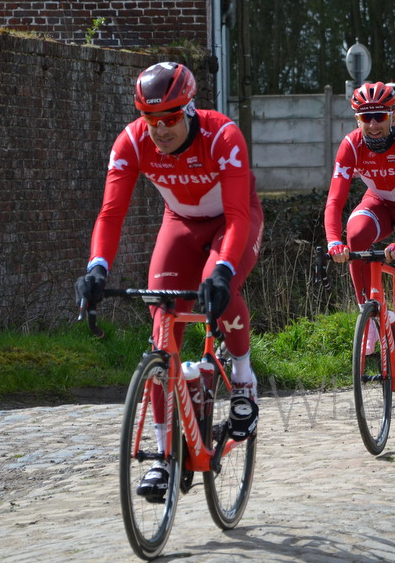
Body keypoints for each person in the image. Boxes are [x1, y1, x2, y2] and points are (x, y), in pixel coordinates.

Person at [75, 62, 263, 499]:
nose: (159, 130)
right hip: (179, 222)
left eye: (170, 119)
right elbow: (110, 214)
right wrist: (96, 267)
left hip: (231, 222)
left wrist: (221, 271)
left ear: (190, 109)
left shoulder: (223, 136)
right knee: (162, 318)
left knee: (221, 285)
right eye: (150, 120)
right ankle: (162, 456)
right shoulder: (131, 142)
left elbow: (236, 216)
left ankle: (243, 378)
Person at [324, 82, 395, 417]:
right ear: (357, 118)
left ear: (393, 114)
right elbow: (335, 200)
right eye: (365, 117)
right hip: (380, 205)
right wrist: (334, 240)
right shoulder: (351, 145)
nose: (373, 123)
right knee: (355, 235)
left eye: (379, 116)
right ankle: (371, 317)